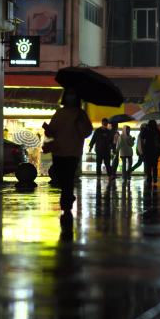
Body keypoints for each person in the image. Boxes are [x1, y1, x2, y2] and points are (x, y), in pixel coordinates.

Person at [43, 88, 93, 230]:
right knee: (61, 176)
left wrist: (79, 123)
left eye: (73, 94)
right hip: (58, 150)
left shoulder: (80, 114)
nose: (71, 97)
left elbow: (86, 132)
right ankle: (68, 197)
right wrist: (48, 129)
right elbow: (52, 130)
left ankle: (66, 202)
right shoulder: (59, 113)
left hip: (72, 151)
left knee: (68, 177)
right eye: (69, 94)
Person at [140, 120, 160, 185]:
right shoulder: (156, 130)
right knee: (155, 165)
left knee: (148, 166)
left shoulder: (146, 130)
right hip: (155, 151)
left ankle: (149, 179)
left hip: (147, 151)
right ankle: (155, 178)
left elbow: (142, 137)